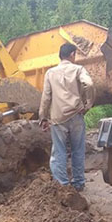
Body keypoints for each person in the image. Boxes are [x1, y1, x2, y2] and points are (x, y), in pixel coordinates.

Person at [38, 42, 95, 191]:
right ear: (72, 54)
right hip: (76, 115)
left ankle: (62, 186)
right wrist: (88, 103)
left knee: (59, 151)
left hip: (58, 119)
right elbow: (88, 84)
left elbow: (46, 98)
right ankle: (79, 183)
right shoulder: (78, 69)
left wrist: (43, 117)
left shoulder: (50, 73)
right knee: (78, 150)